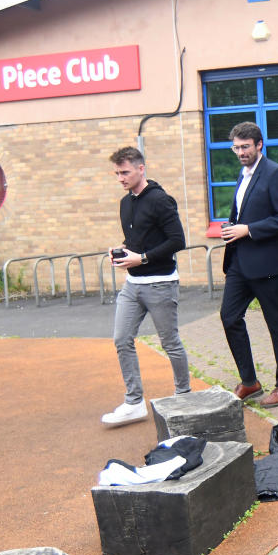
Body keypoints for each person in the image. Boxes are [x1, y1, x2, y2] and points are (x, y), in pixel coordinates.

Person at [101, 145, 191, 425]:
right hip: (133, 284)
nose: (120, 178)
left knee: (170, 343)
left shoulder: (161, 200)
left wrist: (142, 258)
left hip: (161, 284)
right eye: (117, 173)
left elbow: (178, 241)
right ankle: (134, 401)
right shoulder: (125, 203)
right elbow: (137, 240)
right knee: (121, 339)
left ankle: (184, 397)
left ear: (141, 168)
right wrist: (123, 250)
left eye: (125, 172)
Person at [219, 122, 278, 408]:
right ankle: (250, 382)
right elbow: (243, 212)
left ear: (259, 145)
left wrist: (248, 229)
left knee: (276, 323)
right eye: (236, 148)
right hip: (240, 261)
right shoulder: (242, 175)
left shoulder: (275, 173)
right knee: (229, 317)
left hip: (268, 264)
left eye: (245, 147)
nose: (240, 152)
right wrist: (232, 227)